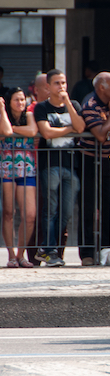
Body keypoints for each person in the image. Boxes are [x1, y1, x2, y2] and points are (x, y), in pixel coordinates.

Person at [33, 69, 85, 267]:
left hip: (71, 165)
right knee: (51, 209)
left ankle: (52, 249)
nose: (61, 86)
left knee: (66, 212)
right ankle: (49, 250)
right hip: (51, 165)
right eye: (56, 83)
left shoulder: (75, 106)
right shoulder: (41, 107)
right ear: (48, 87)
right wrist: (69, 129)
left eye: (63, 82)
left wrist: (69, 105)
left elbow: (80, 128)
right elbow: (46, 132)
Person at [78, 72, 110, 265]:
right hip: (87, 160)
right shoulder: (90, 106)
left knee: (109, 208)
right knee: (88, 207)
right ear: (101, 88)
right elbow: (99, 134)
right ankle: (87, 252)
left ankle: (107, 249)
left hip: (105, 158)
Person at [0, 88, 37, 268]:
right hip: (7, 169)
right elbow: (6, 131)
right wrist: (1, 110)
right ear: (9, 102)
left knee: (29, 215)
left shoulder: (29, 115)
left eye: (23, 99)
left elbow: (32, 131)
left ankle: (22, 254)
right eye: (17, 100)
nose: (21, 103)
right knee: (8, 213)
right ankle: (11, 255)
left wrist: (15, 130)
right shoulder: (3, 116)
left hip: (27, 169)